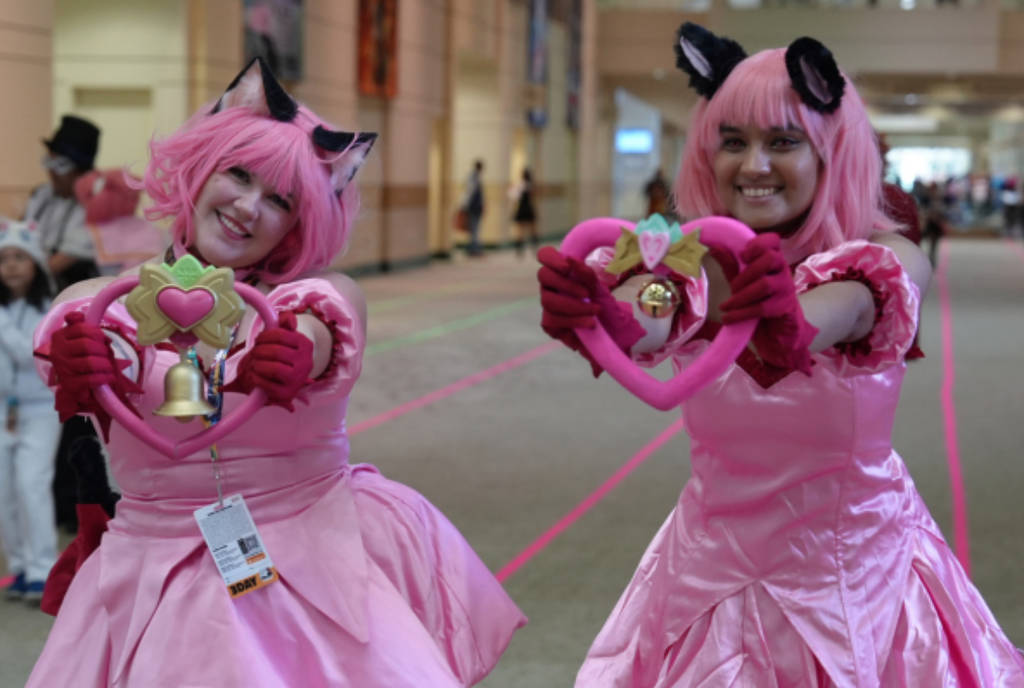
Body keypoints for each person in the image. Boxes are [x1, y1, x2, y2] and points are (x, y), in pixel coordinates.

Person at [538, 23, 1024, 686]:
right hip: (709, 574)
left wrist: (786, 317)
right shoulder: (692, 261)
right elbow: (652, 308)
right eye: (733, 142)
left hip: (856, 579)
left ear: (831, 154)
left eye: (783, 142)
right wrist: (605, 312)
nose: (753, 165)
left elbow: (842, 309)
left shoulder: (883, 260)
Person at [27, 58, 524, 687]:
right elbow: (84, 330)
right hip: (149, 570)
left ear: (301, 219)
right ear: (203, 166)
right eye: (239, 174)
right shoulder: (102, 301)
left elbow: (323, 327)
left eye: (280, 199)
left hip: (301, 559)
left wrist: (297, 353)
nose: (248, 207)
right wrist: (85, 359)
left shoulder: (313, 298)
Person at [25, 115, 103, 535]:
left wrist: (21, 261)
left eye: (58, 164)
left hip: (74, 319)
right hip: (36, 314)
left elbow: (54, 261)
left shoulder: (93, 211)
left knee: (74, 413)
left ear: (76, 169)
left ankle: (76, 501)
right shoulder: (41, 198)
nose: (49, 172)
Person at [0, 220, 59, 606]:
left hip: (39, 409)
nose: (11, 266)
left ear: (36, 263)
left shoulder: (48, 310)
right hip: (4, 410)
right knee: (4, 492)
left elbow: (28, 355)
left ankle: (43, 568)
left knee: (31, 486)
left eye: (20, 257)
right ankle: (20, 564)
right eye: (4, 259)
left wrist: (2, 325)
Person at [510, 167, 538, 257]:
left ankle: (519, 249)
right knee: (532, 229)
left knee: (520, 230)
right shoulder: (531, 185)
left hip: (521, 209)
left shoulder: (520, 185)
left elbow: (514, 197)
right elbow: (533, 198)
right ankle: (534, 246)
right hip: (529, 208)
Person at [462, 159, 485, 256]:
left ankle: (473, 248)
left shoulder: (476, 177)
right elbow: (470, 192)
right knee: (474, 228)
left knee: (474, 228)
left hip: (475, 206)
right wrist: (465, 205)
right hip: (473, 207)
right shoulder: (474, 177)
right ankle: (473, 249)